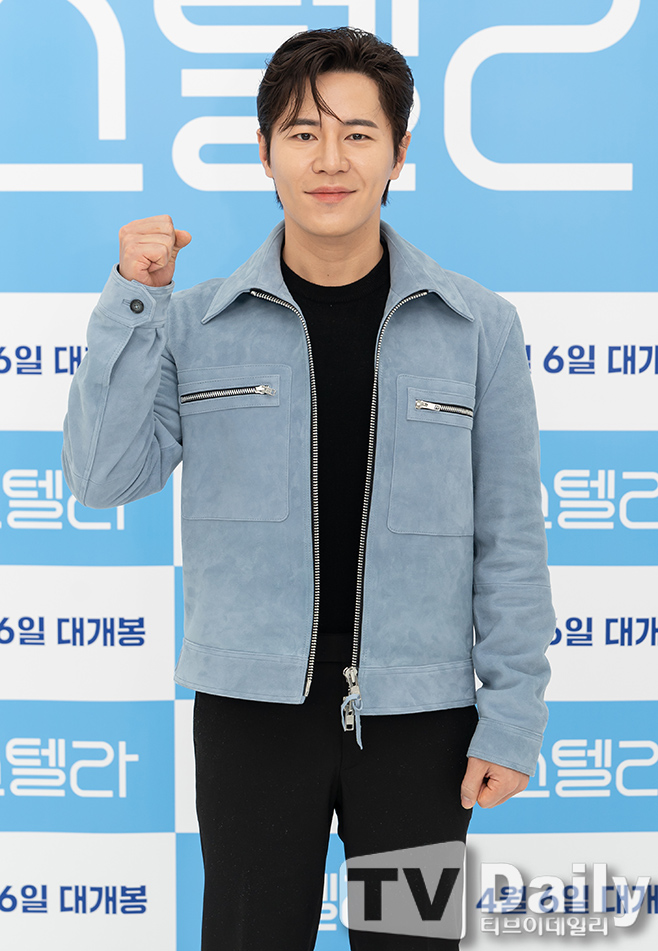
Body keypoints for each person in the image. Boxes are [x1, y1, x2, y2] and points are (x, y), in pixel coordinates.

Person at [62, 26, 555, 951]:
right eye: (302, 133)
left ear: (398, 154)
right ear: (265, 153)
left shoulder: (477, 325)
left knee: (410, 941)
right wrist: (134, 298)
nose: (330, 160)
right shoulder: (195, 322)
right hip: (251, 716)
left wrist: (513, 715)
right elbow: (101, 477)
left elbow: (511, 537)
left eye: (358, 134)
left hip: (421, 721)